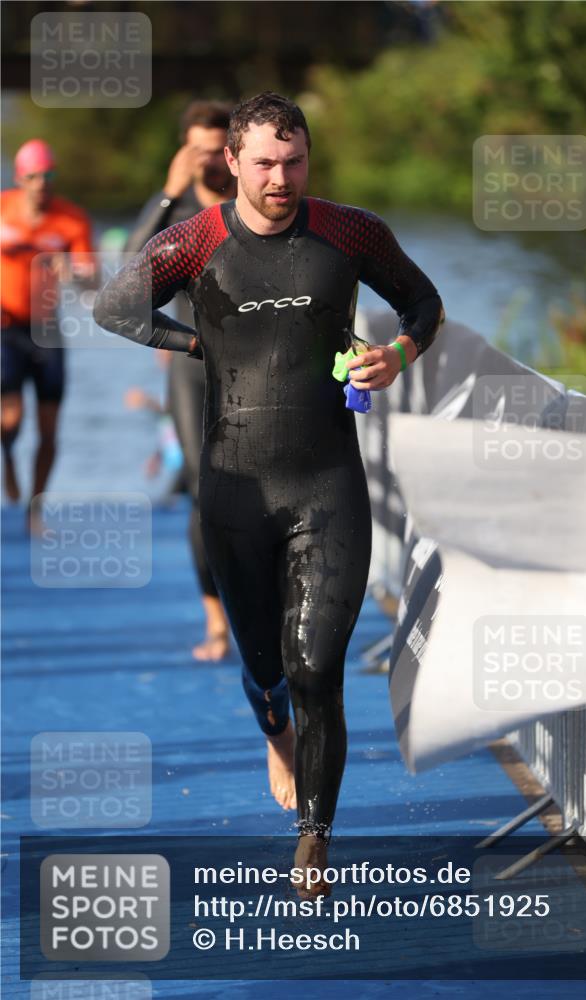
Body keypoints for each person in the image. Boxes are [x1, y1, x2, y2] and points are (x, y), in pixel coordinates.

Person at [94, 91, 444, 896]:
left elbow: (422, 302)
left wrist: (397, 352)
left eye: (293, 162)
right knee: (265, 668)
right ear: (231, 163)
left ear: (307, 159)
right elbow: (114, 306)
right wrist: (199, 346)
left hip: (327, 482)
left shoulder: (349, 232)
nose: (280, 178)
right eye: (263, 163)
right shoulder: (195, 242)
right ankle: (273, 727)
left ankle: (313, 835)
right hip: (234, 487)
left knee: (315, 664)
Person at [125, 100, 235, 662]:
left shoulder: (254, 203)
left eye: (219, 150)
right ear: (184, 152)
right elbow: (124, 277)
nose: (210, 161)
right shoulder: (180, 211)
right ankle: (215, 617)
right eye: (199, 151)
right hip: (193, 365)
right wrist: (167, 194)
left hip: (258, 365)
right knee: (202, 488)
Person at [1, 140, 94, 529]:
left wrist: (71, 272)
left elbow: (92, 282)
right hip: (5, 327)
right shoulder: (2, 208)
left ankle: (36, 508)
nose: (42, 183)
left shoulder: (70, 220)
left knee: (49, 426)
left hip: (47, 330)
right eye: (35, 176)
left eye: (49, 176)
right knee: (11, 419)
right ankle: (7, 457)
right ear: (21, 178)